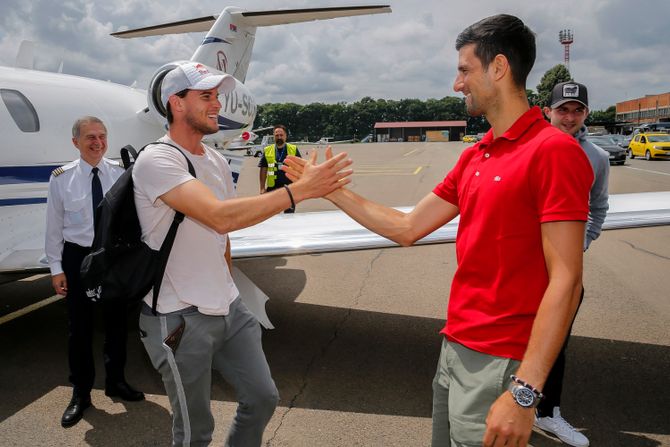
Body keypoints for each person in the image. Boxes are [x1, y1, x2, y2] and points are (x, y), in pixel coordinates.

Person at [284, 15, 593, 447]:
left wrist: (525, 393)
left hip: (502, 359)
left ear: (498, 68)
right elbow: (407, 227)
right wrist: (330, 190)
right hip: (455, 347)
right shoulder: (476, 156)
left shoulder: (553, 152)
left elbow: (567, 281)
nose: (456, 83)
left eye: (465, 70)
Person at [132, 61, 351, 446]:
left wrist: (227, 283)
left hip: (228, 306)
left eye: (217, 96)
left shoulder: (215, 160)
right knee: (195, 432)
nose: (217, 104)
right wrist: (300, 191)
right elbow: (217, 216)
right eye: (206, 96)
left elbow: (225, 233)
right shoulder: (157, 160)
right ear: (176, 103)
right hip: (179, 316)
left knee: (263, 397)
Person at [46, 116, 145, 428]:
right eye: (90, 137)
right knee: (80, 329)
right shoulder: (61, 178)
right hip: (77, 257)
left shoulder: (119, 174)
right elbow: (53, 229)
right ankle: (81, 393)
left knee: (116, 324)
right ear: (75, 142)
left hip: (109, 256)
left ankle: (116, 381)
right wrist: (55, 269)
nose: (97, 142)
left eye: (102, 136)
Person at [537, 81, 610, 447]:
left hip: (563, 271)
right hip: (524, 266)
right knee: (508, 339)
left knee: (555, 342)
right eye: (562, 109)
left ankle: (547, 413)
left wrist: (580, 244)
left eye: (576, 110)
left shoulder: (596, 156)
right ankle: (500, 406)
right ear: (547, 110)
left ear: (585, 113)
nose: (569, 117)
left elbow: (598, 208)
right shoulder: (530, 147)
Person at [258, 124, 302, 212]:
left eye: (281, 135)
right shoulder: (267, 150)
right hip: (272, 188)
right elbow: (263, 169)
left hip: (289, 188)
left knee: (289, 215)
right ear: (273, 136)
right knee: (271, 215)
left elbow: (300, 167)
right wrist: (262, 188)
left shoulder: (293, 149)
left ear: (286, 136)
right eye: (277, 135)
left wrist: (299, 185)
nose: (279, 137)